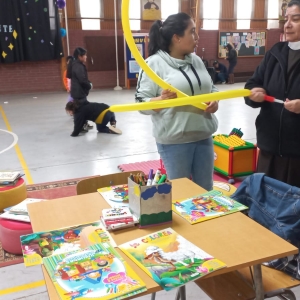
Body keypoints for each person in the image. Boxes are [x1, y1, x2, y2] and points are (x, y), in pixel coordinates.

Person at [135, 12, 219, 191]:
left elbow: (211, 88)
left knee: (206, 191)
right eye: (192, 32)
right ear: (177, 38)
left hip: (204, 136)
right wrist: (161, 100)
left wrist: (214, 99)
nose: (197, 37)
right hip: (175, 142)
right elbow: (141, 103)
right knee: (182, 194)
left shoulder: (196, 60)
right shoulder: (154, 64)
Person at [244, 0, 300, 188]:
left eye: (296, 19)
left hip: (296, 155)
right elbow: (252, 84)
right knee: (265, 206)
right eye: (286, 19)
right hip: (270, 149)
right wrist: (254, 92)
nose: (288, 24)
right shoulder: (275, 53)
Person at [66, 47, 93, 131]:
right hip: (79, 92)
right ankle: (80, 127)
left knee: (82, 108)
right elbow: (82, 80)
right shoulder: (78, 66)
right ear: (79, 56)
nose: (86, 57)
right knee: (80, 110)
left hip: (78, 91)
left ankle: (84, 124)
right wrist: (89, 85)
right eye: (84, 55)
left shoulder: (75, 64)